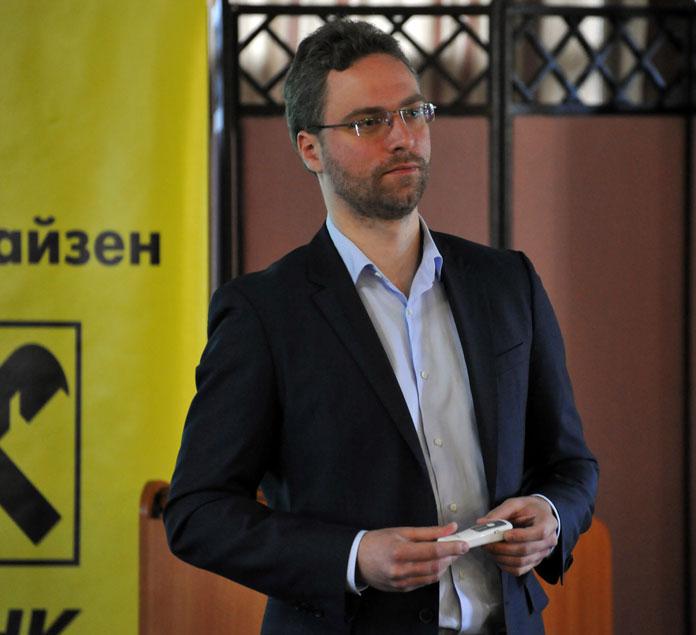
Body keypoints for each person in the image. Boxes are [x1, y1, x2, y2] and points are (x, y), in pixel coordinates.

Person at [164, 19, 598, 635]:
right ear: (310, 149)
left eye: (413, 112)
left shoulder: (509, 284)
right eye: (368, 122)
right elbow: (198, 511)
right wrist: (352, 557)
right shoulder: (264, 313)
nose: (402, 138)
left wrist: (553, 516)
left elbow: (571, 465)